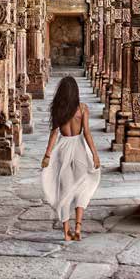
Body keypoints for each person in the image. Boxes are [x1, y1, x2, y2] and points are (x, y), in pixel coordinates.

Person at [41, 76, 101, 241]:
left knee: (65, 190)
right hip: (80, 149)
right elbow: (87, 134)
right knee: (82, 186)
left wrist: (47, 155)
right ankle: (78, 227)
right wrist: (95, 155)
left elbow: (54, 134)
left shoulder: (58, 110)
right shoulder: (82, 109)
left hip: (63, 149)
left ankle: (66, 232)